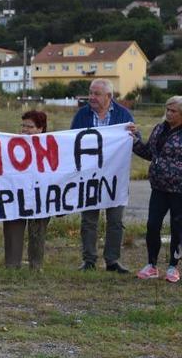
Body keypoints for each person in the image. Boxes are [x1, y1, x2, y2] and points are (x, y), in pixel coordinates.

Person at [70, 79, 133, 273]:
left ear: (109, 97)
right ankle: (89, 260)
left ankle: (112, 260)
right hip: (89, 176)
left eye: (96, 94)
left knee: (115, 220)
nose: (92, 97)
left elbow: (132, 143)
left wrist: (134, 136)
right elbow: (72, 141)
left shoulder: (123, 115)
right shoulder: (82, 115)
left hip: (115, 176)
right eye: (90, 93)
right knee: (89, 220)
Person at [129, 96, 182, 283]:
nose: (168, 113)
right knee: (152, 226)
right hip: (158, 187)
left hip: (179, 190)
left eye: (173, 110)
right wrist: (134, 141)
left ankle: (173, 267)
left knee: (178, 229)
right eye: (167, 109)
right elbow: (149, 153)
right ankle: (151, 265)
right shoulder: (159, 129)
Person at [3, 110, 52, 270]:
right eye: (23, 125)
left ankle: (36, 265)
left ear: (41, 128)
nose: (24, 129)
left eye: (29, 126)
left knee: (38, 230)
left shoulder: (50, 146)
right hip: (16, 195)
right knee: (13, 228)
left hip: (40, 195)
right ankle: (12, 264)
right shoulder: (11, 144)